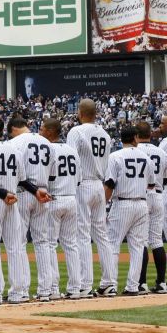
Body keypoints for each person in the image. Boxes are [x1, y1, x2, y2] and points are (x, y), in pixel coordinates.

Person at [0, 116, 48, 305]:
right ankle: (16, 293)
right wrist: (35, 191)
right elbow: (23, 179)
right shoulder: (13, 150)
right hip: (12, 200)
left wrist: (1, 193)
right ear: (2, 131)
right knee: (14, 247)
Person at [66, 98, 118, 298]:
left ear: (80, 112)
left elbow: (72, 162)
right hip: (99, 184)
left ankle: (85, 284)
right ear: (95, 113)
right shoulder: (105, 133)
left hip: (83, 184)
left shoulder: (76, 132)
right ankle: (109, 283)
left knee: (82, 235)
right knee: (102, 235)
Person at [7, 115, 54, 301]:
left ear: (13, 129)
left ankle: (23, 290)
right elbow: (53, 174)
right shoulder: (46, 142)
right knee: (42, 242)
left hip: (25, 192)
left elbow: (15, 174)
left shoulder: (15, 143)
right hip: (43, 192)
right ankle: (45, 290)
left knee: (19, 242)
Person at [104, 126, 155, 296]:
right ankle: (133, 286)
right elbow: (151, 184)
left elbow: (110, 183)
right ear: (135, 138)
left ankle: (109, 284)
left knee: (112, 245)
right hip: (141, 203)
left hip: (122, 204)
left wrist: (104, 204)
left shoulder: (115, 156)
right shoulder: (146, 157)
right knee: (138, 247)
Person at [40, 118, 82, 300]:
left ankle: (53, 288)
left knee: (50, 244)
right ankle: (75, 288)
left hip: (54, 199)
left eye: (42, 129)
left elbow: (46, 177)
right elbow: (79, 179)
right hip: (71, 199)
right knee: (71, 244)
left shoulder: (47, 149)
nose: (40, 131)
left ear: (50, 131)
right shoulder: (72, 151)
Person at [134, 122, 167, 294]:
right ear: (150, 134)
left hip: (143, 195)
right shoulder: (161, 151)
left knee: (142, 242)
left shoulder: (135, 151)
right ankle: (162, 282)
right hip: (159, 195)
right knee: (157, 241)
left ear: (136, 135)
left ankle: (141, 283)